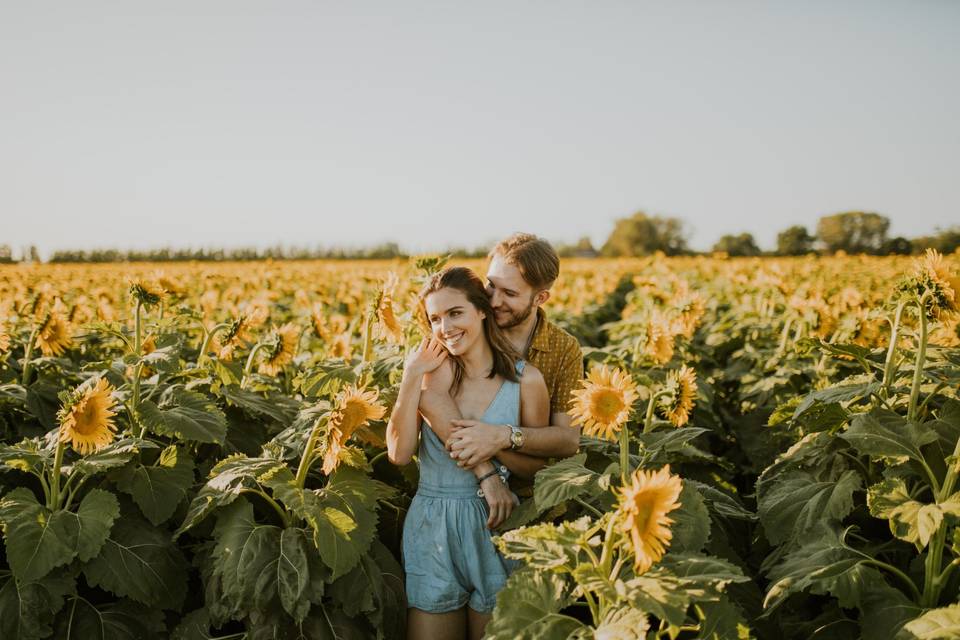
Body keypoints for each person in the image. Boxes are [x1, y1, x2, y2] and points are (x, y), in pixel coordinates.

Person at [386, 266, 551, 640]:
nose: (445, 328)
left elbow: (535, 467)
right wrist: (410, 377)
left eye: (455, 313)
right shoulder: (433, 375)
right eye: (434, 319)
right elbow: (398, 453)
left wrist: (496, 441)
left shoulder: (527, 381)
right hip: (432, 526)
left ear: (481, 310)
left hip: (496, 524)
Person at [420, 233, 584, 517]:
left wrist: (501, 437)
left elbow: (567, 439)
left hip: (533, 498)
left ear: (540, 298)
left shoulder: (563, 349)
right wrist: (486, 471)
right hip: (458, 492)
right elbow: (430, 399)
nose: (494, 301)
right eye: (491, 285)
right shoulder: (464, 326)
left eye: (510, 294)